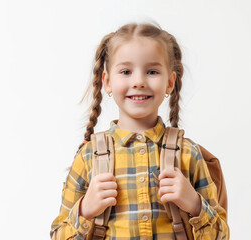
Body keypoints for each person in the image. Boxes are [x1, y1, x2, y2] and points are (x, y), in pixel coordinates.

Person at [50, 22, 229, 240]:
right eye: (126, 71)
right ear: (107, 81)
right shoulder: (88, 157)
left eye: (152, 71)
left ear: (170, 83)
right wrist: (85, 210)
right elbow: (59, 235)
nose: (139, 81)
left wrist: (194, 204)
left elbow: (222, 235)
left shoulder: (188, 154)